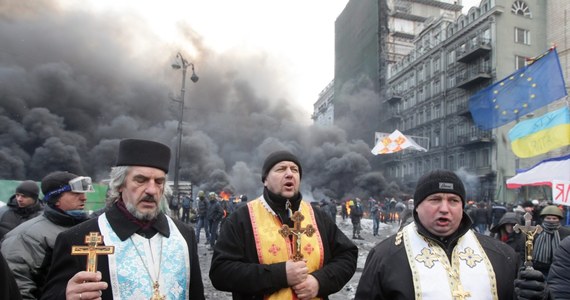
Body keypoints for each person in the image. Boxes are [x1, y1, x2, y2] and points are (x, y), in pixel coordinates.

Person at [40, 138, 204, 299]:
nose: (152, 190)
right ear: (120, 184)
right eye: (141, 180)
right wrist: (66, 296)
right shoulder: (78, 238)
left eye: (159, 182)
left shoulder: (183, 235)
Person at [210, 150, 357, 300]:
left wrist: (320, 281)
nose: (289, 174)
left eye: (295, 170)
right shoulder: (241, 219)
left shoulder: (318, 217)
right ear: (265, 180)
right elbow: (220, 272)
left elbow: (348, 255)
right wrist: (279, 274)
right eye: (281, 169)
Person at [355, 169, 520, 299]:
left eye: (453, 201)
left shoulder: (501, 255)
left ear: (462, 207)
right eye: (435, 199)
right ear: (417, 206)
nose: (444, 208)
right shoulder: (385, 256)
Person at [1, 171, 92, 299]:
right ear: (56, 199)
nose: (84, 198)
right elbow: (18, 288)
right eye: (76, 193)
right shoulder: (25, 236)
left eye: (84, 193)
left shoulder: (92, 228)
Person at [531, 205, 570, 277]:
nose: (551, 221)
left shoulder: (566, 233)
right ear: (543, 219)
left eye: (554, 218)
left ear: (559, 219)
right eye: (548, 218)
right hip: (539, 269)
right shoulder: (535, 232)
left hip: (560, 270)